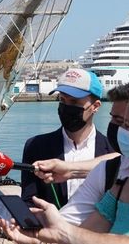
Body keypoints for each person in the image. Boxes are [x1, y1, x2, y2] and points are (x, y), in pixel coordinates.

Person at [31, 81, 129, 224]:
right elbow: (72, 221)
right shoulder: (110, 171)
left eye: (123, 122)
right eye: (113, 118)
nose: (115, 127)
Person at [20, 68, 112, 209]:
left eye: (74, 102)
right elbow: (29, 200)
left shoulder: (112, 150)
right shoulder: (36, 145)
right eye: (62, 100)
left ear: (95, 106)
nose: (67, 107)